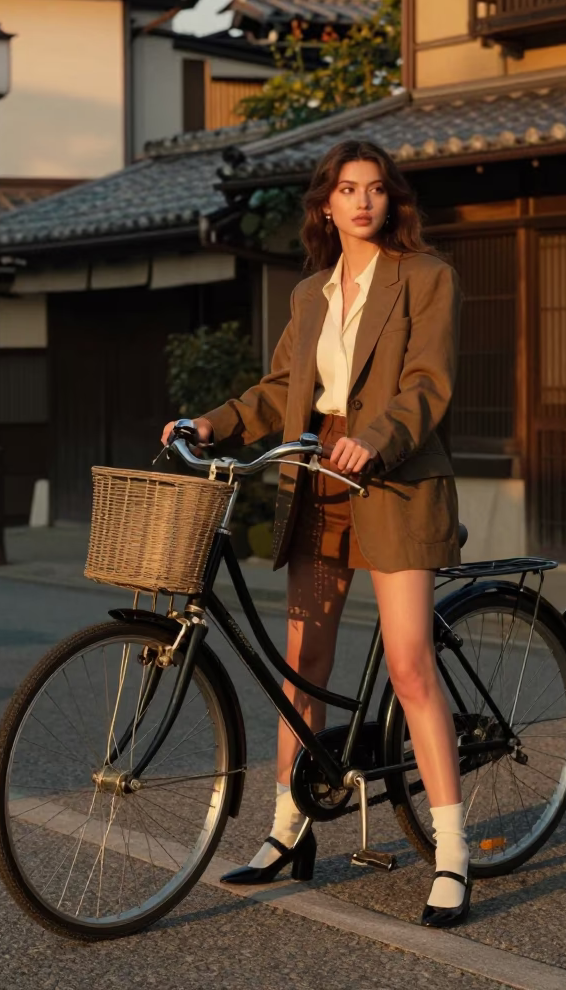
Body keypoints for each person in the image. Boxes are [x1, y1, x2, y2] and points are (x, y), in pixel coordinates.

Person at [161, 139, 470, 928]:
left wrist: (376, 436)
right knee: (303, 663)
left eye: (375, 189)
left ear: (391, 201)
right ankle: (286, 829)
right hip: (318, 480)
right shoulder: (309, 295)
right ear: (325, 206)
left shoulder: (428, 278)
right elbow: (278, 391)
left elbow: (427, 384)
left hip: (395, 478)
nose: (362, 201)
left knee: (408, 663)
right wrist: (211, 421)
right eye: (346, 189)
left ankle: (453, 851)